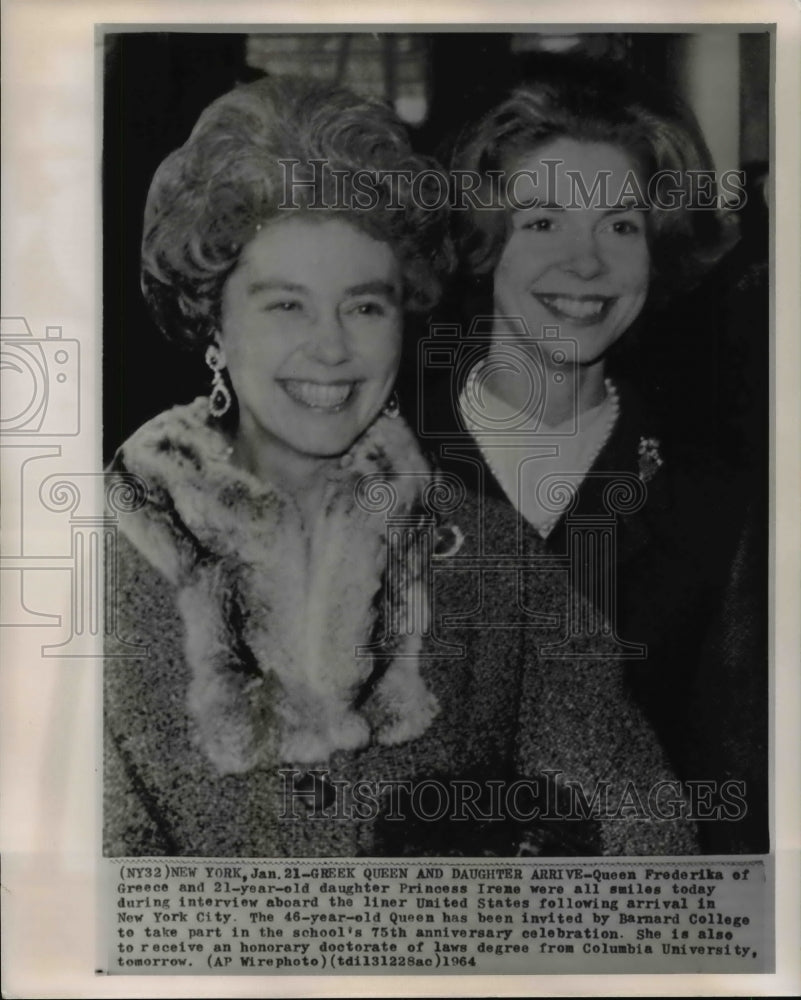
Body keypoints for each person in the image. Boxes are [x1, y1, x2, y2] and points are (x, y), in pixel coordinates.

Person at [105, 73, 698, 858]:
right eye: (285, 304)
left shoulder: (493, 556)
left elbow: (646, 837)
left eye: (364, 305)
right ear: (212, 320)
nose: (331, 348)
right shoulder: (94, 561)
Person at [428, 57, 767, 853]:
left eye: (619, 225)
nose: (586, 264)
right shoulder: (376, 461)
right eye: (542, 221)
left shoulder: (715, 510)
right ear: (484, 239)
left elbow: (736, 807)